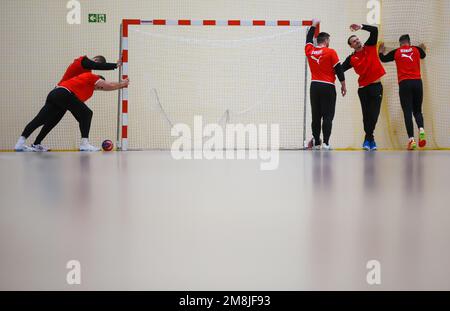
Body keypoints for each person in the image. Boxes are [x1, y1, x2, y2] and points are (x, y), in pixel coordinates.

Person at [15, 73, 129, 152]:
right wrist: (122, 84)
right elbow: (109, 86)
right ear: (99, 81)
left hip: (56, 95)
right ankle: (84, 144)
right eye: (100, 85)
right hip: (63, 93)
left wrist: (80, 118)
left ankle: (21, 144)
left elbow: (75, 106)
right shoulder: (92, 76)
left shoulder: (88, 92)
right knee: (87, 113)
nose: (100, 88)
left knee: (42, 120)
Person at [379, 35, 427, 150]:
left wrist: (380, 51)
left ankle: (411, 140)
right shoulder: (416, 49)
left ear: (400, 43)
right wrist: (422, 48)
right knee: (418, 111)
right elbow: (423, 55)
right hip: (417, 83)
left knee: (407, 112)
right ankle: (421, 129)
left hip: (404, 84)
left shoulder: (397, 52)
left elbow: (383, 59)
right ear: (409, 42)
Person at [305, 18, 347, 150]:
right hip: (328, 86)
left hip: (314, 86)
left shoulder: (310, 51)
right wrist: (343, 85)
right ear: (327, 40)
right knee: (328, 116)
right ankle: (326, 143)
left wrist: (313, 25)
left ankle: (317, 142)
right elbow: (339, 70)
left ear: (317, 41)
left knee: (316, 116)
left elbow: (308, 40)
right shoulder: (331, 52)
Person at [343, 24, 386, 151]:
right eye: (354, 42)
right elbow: (339, 69)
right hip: (363, 89)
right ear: (351, 46)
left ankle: (368, 138)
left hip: (376, 86)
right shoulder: (351, 59)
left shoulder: (370, 47)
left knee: (374, 115)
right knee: (366, 116)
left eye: (357, 39)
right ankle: (369, 140)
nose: (357, 42)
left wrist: (360, 26)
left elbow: (375, 30)